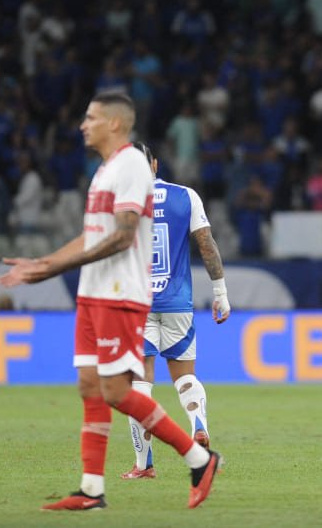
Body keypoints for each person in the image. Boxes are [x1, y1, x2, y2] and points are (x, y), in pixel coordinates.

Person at [0, 93, 226, 511]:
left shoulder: (132, 167)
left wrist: (50, 270)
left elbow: (122, 236)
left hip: (121, 295)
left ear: (116, 124)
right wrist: (44, 262)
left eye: (91, 118)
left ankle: (199, 460)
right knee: (91, 386)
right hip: (93, 292)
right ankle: (90, 489)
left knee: (119, 390)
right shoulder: (104, 172)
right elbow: (93, 235)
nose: (83, 124)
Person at [121, 141, 231, 480]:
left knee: (139, 385)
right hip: (178, 302)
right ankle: (198, 424)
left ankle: (144, 465)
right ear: (154, 164)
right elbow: (206, 245)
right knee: (185, 376)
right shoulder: (186, 196)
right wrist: (220, 292)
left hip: (137, 305)